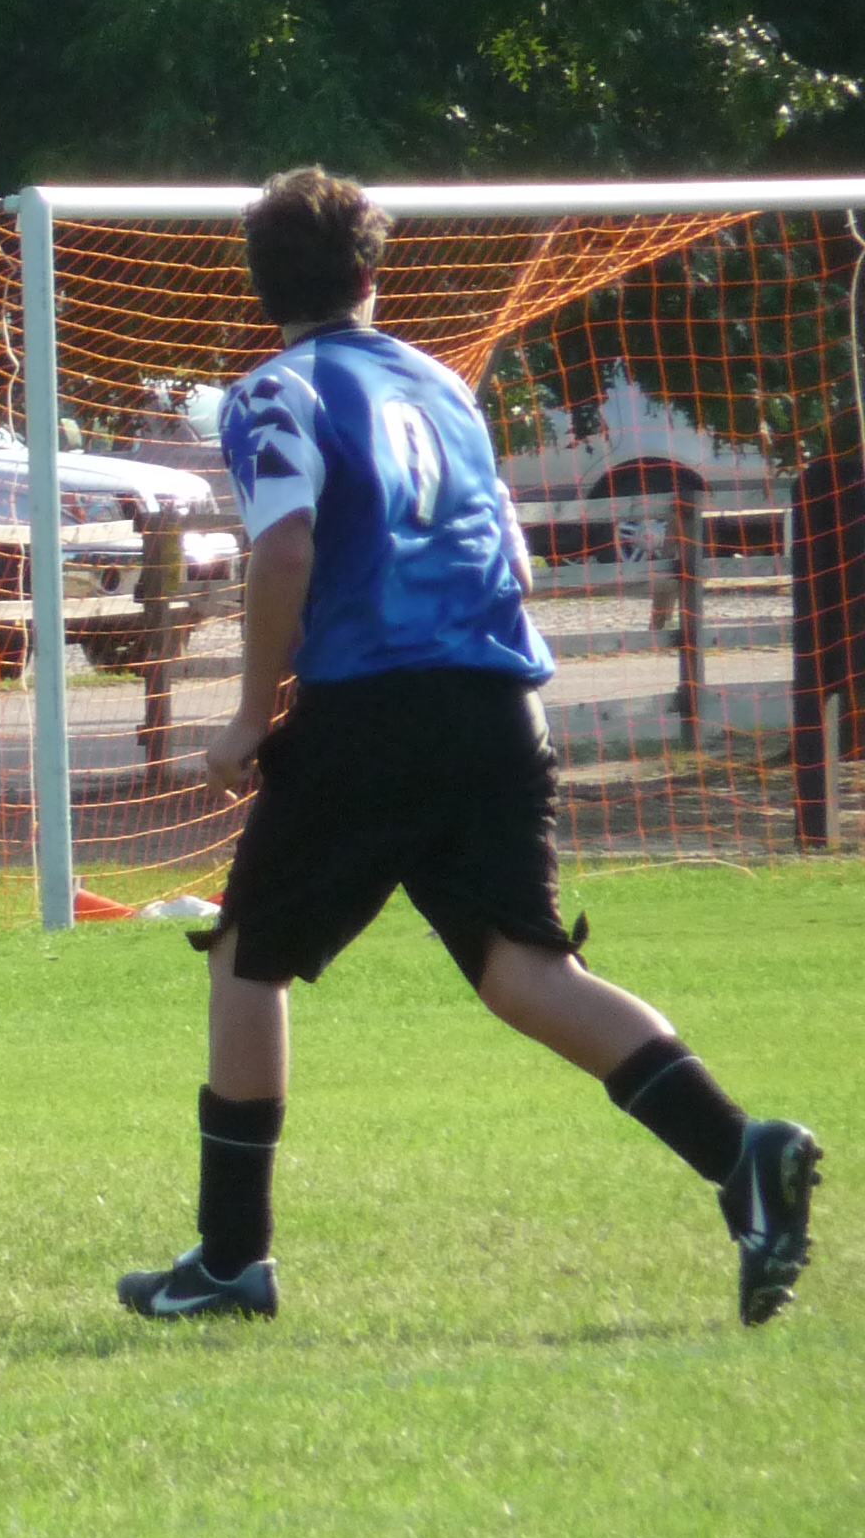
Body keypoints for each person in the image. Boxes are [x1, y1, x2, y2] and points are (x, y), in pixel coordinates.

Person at [119, 165, 820, 1325]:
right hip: (499, 703)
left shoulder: (274, 392)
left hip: (375, 707)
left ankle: (233, 1262)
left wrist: (249, 716)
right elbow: (515, 557)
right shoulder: (444, 384)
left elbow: (285, 549)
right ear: (372, 274)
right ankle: (740, 1152)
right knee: (523, 972)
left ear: (261, 286)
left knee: (247, 958)